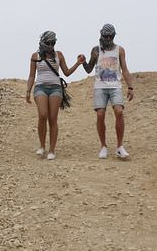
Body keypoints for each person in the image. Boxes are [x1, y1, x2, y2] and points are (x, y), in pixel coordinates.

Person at [26, 31, 84, 160]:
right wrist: (28, 91)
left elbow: (66, 72)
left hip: (55, 88)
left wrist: (78, 63)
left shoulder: (59, 55)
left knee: (53, 118)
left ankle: (52, 150)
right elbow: (31, 75)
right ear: (43, 42)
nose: (51, 45)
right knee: (42, 115)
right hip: (40, 86)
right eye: (48, 43)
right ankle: (42, 146)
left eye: (53, 43)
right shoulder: (35, 56)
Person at [82, 23, 134, 159]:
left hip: (115, 86)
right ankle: (103, 146)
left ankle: (119, 146)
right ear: (102, 35)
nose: (107, 38)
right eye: (105, 36)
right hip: (100, 86)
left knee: (119, 111)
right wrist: (82, 62)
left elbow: (125, 69)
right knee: (100, 115)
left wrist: (130, 86)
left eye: (110, 36)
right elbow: (89, 69)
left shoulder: (119, 50)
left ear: (113, 36)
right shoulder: (96, 50)